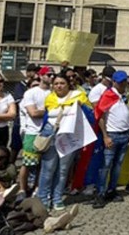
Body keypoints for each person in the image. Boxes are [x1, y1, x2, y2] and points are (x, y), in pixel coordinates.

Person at [37, 72, 91, 211]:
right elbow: (47, 116)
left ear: (68, 84)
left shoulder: (78, 96)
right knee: (48, 168)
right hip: (51, 133)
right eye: (56, 84)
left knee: (63, 170)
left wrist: (81, 106)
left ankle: (57, 197)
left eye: (62, 83)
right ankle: (43, 198)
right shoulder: (50, 98)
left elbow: (89, 113)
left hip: (68, 136)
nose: (59, 86)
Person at [93, 71, 129, 208]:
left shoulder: (127, 96)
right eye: (120, 82)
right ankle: (100, 193)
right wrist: (105, 135)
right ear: (114, 82)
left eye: (125, 82)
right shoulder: (108, 95)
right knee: (106, 165)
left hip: (125, 134)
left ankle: (112, 189)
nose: (123, 84)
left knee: (117, 166)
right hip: (112, 134)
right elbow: (99, 116)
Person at [17, 71, 50, 198]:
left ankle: (37, 188)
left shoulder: (53, 93)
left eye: (53, 74)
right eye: (48, 74)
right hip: (32, 132)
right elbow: (33, 113)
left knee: (42, 164)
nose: (51, 77)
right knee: (28, 163)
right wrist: (50, 111)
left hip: (48, 132)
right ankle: (22, 189)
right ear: (41, 76)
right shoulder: (31, 92)